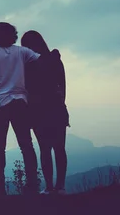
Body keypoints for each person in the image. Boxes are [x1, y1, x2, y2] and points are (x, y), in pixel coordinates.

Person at [0, 22, 41, 197]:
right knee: (26, 145)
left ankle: (0, 186)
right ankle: (32, 186)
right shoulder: (22, 52)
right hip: (20, 102)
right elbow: (41, 60)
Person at [21, 30, 69, 195]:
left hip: (37, 111)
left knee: (45, 149)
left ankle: (49, 187)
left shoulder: (27, 65)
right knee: (59, 148)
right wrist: (61, 103)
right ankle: (60, 186)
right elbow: (63, 86)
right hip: (56, 108)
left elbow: (25, 89)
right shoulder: (54, 59)